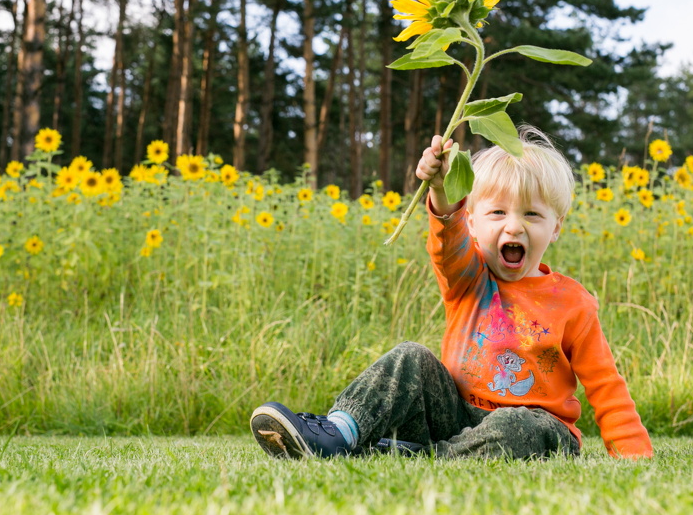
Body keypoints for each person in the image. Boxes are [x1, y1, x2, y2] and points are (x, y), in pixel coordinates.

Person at [250, 126, 653, 460]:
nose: (514, 227)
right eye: (497, 213)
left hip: (539, 428)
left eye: (532, 214)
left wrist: (633, 454)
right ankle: (338, 434)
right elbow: (447, 240)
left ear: (556, 226)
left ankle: (420, 456)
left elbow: (605, 384)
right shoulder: (469, 278)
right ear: (473, 223)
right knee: (410, 355)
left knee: (516, 425)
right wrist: (441, 189)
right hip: (456, 414)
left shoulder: (572, 302)